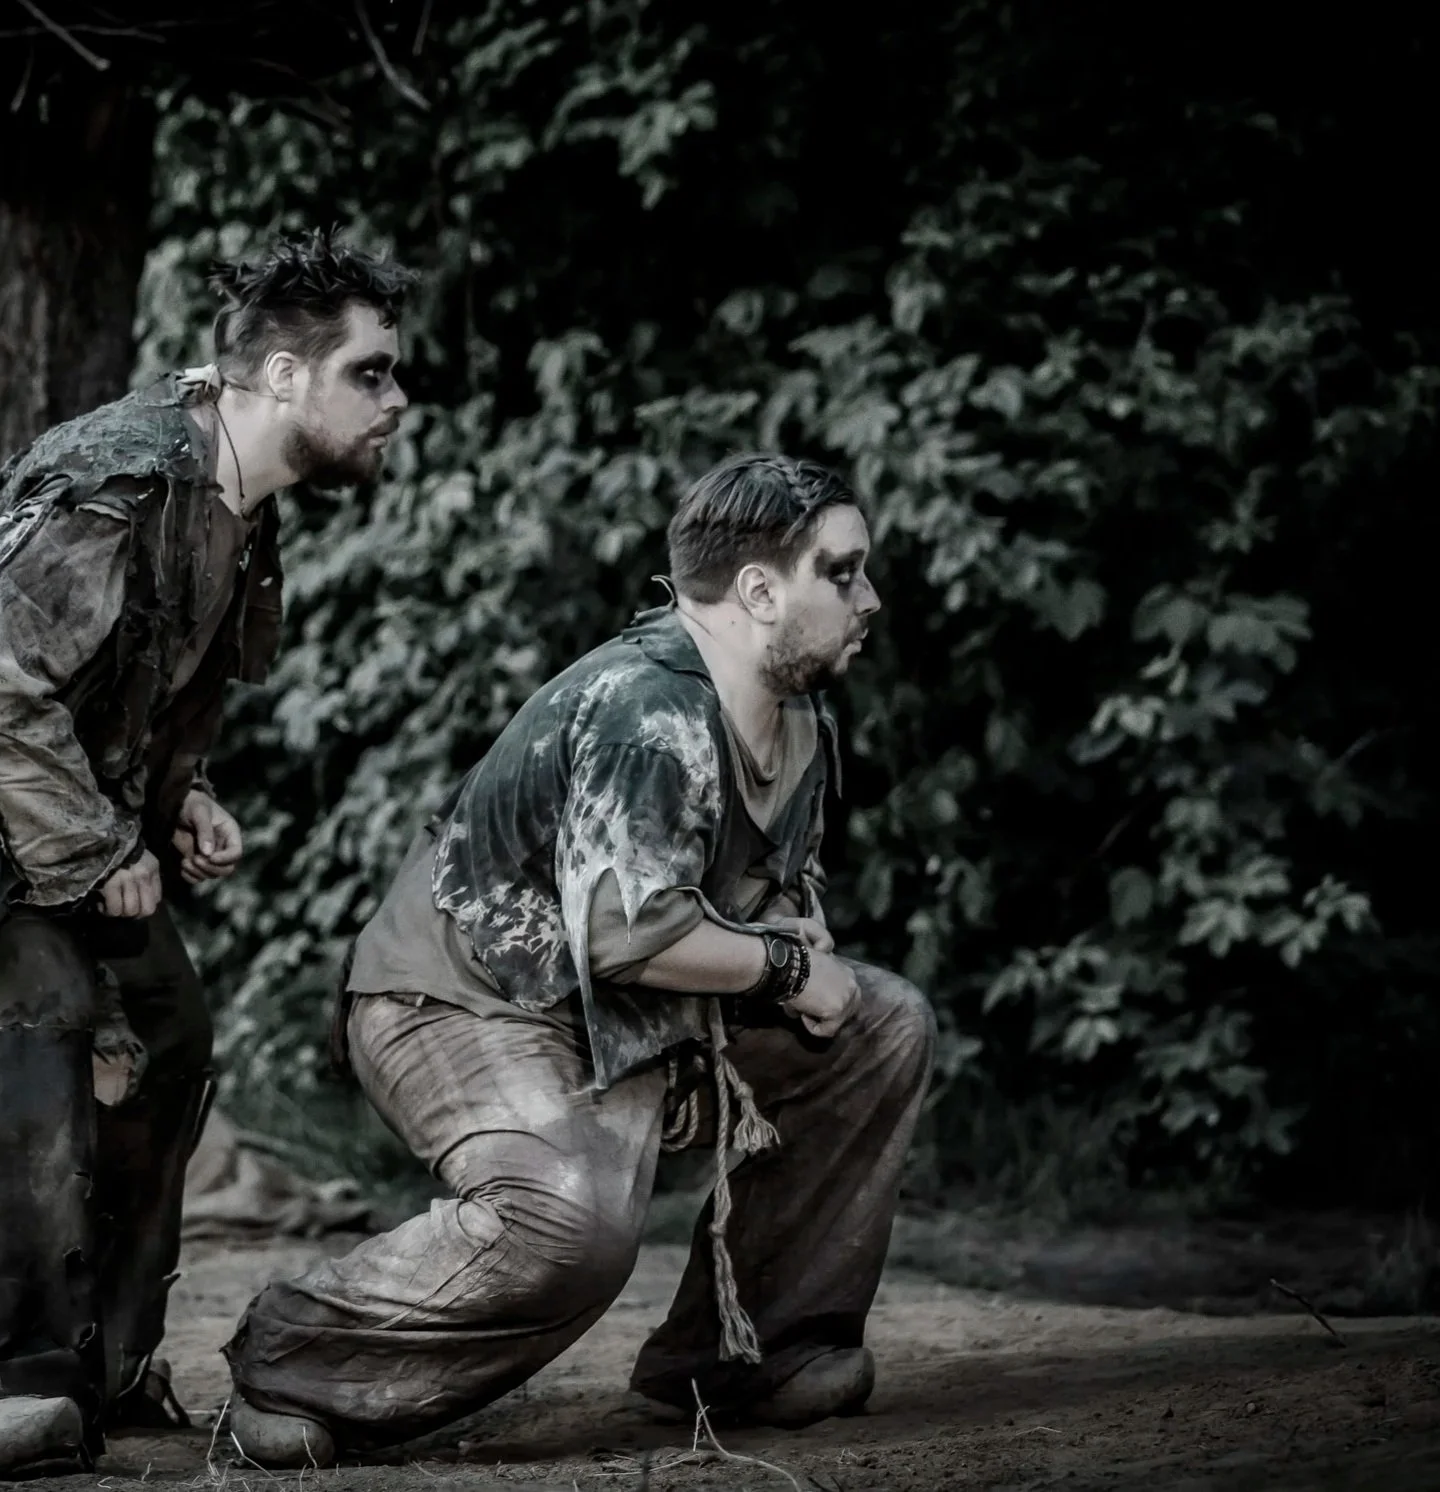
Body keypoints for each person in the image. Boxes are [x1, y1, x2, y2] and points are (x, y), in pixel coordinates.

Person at [0, 229, 414, 1477]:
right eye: (373, 373)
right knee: (34, 1010)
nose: (397, 400)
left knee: (168, 1026)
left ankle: (106, 1369)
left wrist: (174, 799)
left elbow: (150, 675)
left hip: (49, 771)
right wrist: (90, 847)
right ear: (285, 376)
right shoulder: (126, 478)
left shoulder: (237, 502)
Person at [222, 453, 936, 1467]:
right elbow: (620, 933)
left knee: (879, 1022)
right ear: (759, 588)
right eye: (843, 571)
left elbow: (746, 890)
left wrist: (787, 932)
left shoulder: (795, 715)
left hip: (619, 1004)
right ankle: (296, 1359)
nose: (867, 598)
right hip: (458, 1002)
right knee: (571, 1223)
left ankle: (747, 1353)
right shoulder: (649, 711)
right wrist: (780, 970)